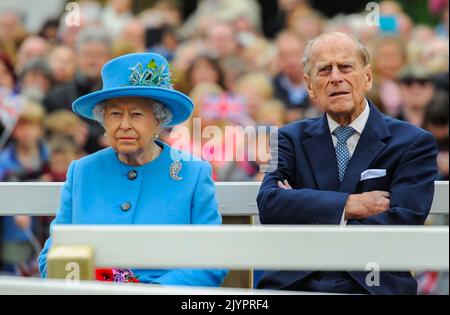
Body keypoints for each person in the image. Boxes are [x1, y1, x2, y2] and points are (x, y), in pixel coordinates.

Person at [256, 32, 438, 295]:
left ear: (367, 77)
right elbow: (270, 204)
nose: (335, 78)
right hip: (294, 284)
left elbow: (403, 220)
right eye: (324, 70)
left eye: (345, 67)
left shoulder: (412, 142)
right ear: (309, 85)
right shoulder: (287, 139)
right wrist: (351, 205)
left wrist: (303, 207)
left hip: (372, 284)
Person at [38, 52, 228, 287]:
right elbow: (51, 257)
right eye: (115, 114)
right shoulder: (82, 171)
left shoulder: (193, 174)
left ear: (159, 120)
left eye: (136, 114)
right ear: (103, 120)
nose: (124, 124)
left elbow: (212, 260)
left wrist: (155, 292)